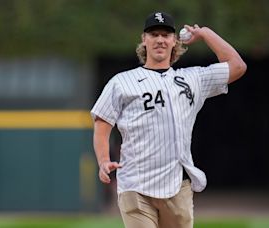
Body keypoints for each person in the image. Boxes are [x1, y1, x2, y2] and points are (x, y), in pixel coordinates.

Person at [91, 11, 246, 228]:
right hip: (135, 184)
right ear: (144, 40)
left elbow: (237, 66)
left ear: (175, 41)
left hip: (177, 185)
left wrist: (206, 33)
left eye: (165, 35)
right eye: (154, 34)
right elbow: (102, 122)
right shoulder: (122, 82)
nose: (160, 40)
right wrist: (103, 160)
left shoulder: (193, 78)